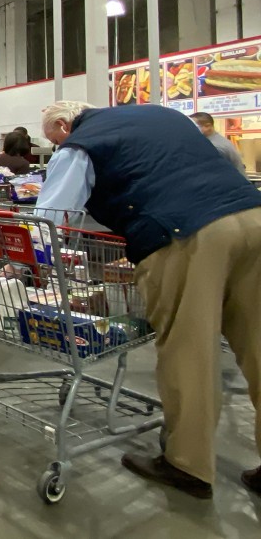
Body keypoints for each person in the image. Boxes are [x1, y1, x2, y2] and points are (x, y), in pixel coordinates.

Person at [35, 101, 261, 499]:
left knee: (189, 349)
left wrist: (28, 261)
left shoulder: (82, 144)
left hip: (185, 235)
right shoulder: (163, 114)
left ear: (64, 124)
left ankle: (188, 464)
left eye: (54, 140)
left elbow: (50, 217)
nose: (55, 148)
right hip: (252, 218)